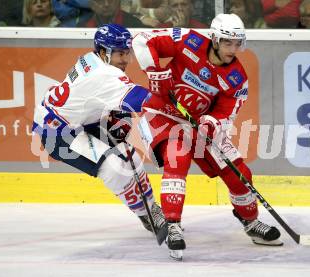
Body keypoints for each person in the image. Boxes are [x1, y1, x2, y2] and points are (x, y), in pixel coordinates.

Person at [132, 13, 282, 260]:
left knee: (238, 172)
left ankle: (250, 222)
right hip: (161, 114)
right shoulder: (188, 40)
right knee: (177, 158)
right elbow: (142, 40)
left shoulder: (237, 78)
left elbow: (227, 112)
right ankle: (172, 225)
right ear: (214, 38)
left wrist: (211, 123)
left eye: (237, 43)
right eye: (227, 42)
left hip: (197, 123)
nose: (233, 49)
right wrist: (155, 72)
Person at [32, 24, 166, 238]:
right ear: (104, 52)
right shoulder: (104, 74)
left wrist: (117, 119)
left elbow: (101, 99)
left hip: (80, 122)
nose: (126, 59)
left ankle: (153, 210)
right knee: (114, 167)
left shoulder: (92, 59)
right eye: (120, 53)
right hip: (59, 134)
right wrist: (171, 101)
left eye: (127, 52)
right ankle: (147, 215)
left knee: (128, 155)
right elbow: (140, 100)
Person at [81, 0, 147, 28]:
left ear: (118, 1)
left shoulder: (134, 24)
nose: (106, 4)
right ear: (92, 4)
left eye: (110, 0)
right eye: (100, 0)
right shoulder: (82, 27)